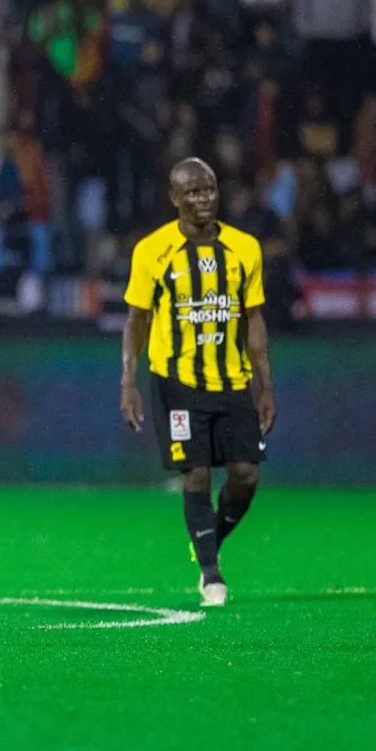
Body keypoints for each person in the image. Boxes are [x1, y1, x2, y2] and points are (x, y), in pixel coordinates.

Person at [119, 159, 277, 608]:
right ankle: (211, 574)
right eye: (192, 192)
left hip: (231, 380)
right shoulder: (152, 251)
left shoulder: (244, 248)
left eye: (209, 189)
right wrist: (128, 380)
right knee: (198, 474)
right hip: (178, 382)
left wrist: (265, 384)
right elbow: (136, 319)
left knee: (246, 475)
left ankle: (210, 540)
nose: (204, 198)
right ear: (174, 199)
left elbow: (253, 319)